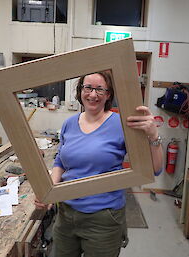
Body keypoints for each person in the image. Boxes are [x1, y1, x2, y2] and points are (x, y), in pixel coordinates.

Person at [35, 71, 163, 257]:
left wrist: (153, 136)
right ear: (80, 91)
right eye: (88, 88)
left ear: (108, 94)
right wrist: (49, 189)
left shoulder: (122, 125)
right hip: (66, 214)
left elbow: (155, 169)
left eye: (100, 89)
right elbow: (60, 160)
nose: (93, 95)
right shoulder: (69, 124)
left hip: (104, 218)